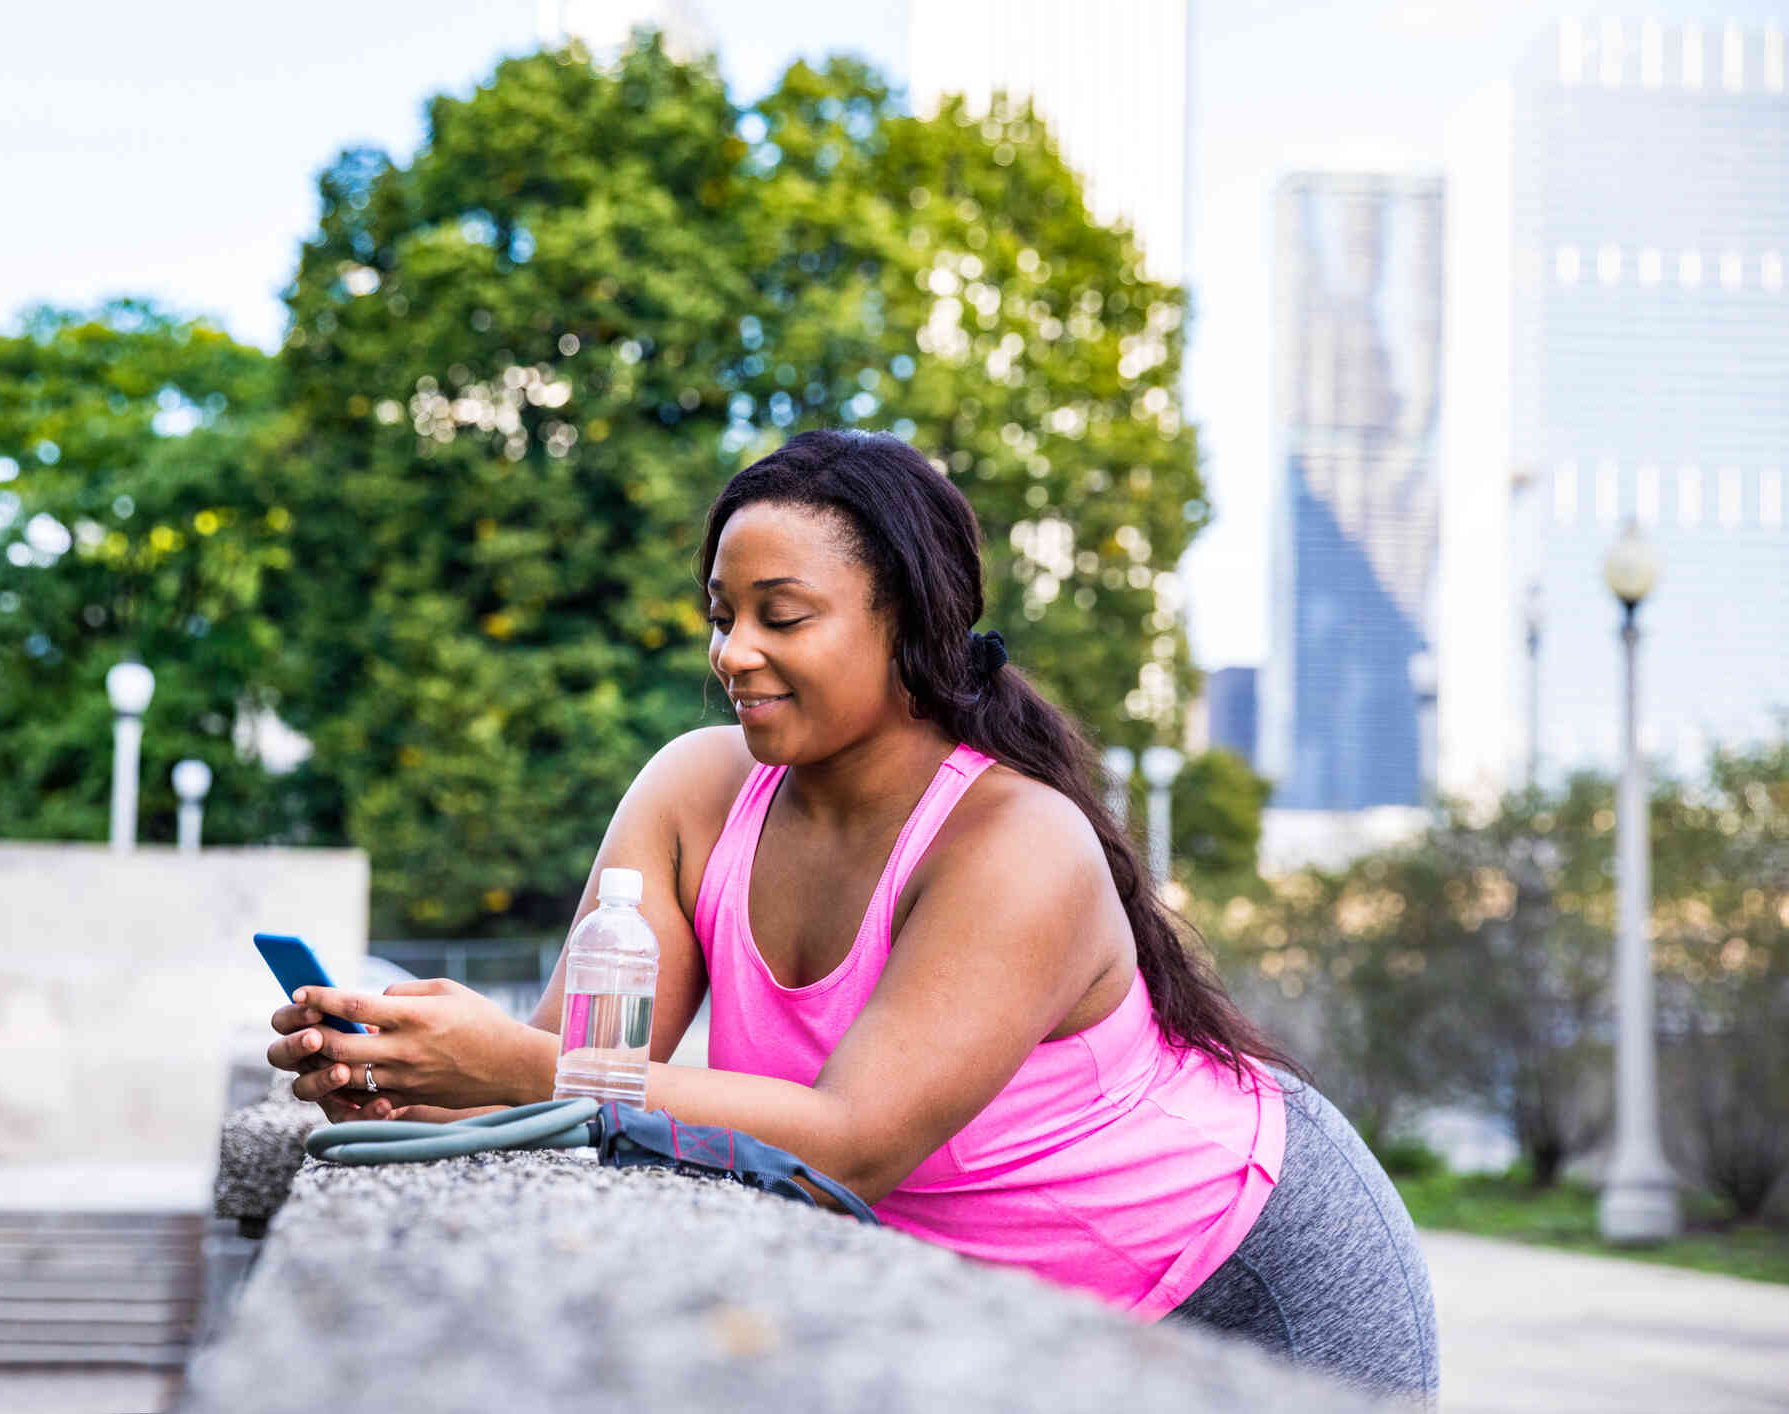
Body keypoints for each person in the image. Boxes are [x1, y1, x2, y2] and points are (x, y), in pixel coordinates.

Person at [265, 429, 1438, 1405]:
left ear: (908, 622)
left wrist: (522, 1064)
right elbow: (584, 1066)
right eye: (723, 614)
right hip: (1023, 1300)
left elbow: (851, 1139)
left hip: (1247, 1270)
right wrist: (409, 1072)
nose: (734, 653)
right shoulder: (693, 792)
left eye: (784, 615)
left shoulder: (1012, 843)